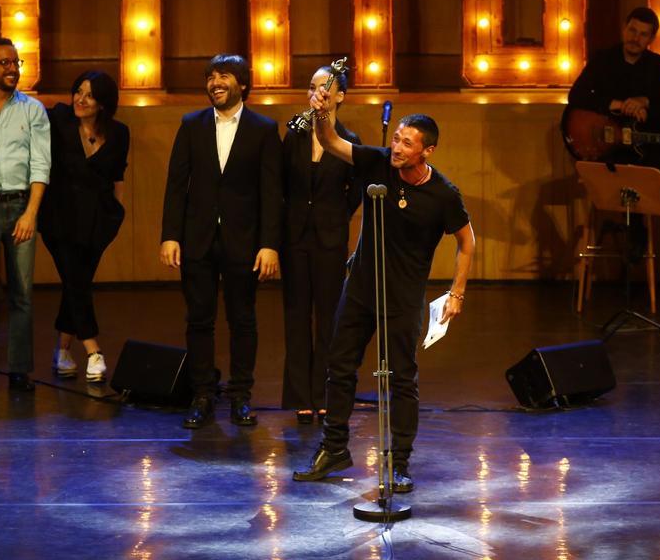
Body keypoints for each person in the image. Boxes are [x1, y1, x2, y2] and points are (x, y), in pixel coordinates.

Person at [293, 91, 475, 493]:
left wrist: (457, 292)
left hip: (403, 297)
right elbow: (331, 142)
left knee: (401, 379)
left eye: (407, 143)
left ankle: (399, 462)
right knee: (340, 367)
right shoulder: (378, 162)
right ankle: (334, 448)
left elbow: (467, 241)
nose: (397, 148)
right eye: (396, 139)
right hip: (360, 288)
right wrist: (322, 114)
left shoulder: (443, 194)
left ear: (427, 151)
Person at [159, 53, 282, 429]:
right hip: (197, 239)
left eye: (224, 76)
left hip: (244, 241)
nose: (215, 82)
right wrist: (170, 236)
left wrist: (269, 244)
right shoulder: (191, 124)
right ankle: (202, 395)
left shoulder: (264, 128)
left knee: (243, 320)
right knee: (199, 319)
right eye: (211, 76)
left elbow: (271, 192)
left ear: (242, 84)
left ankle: (241, 396)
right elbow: (176, 185)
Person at [567, 6, 660, 298]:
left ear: (651, 39)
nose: (635, 38)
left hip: (650, 149)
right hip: (611, 150)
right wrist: (616, 104)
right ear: (624, 28)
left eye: (643, 34)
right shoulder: (603, 60)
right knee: (627, 182)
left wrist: (645, 103)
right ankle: (634, 229)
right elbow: (576, 96)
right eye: (632, 30)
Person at [0, 38, 51, 394]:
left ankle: (19, 370)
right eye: (4, 63)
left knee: (22, 293)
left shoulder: (33, 110)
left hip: (19, 205)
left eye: (16, 62)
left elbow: (40, 163)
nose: (12, 69)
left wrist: (31, 213)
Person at [281, 65, 361, 424]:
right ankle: (300, 396)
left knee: (329, 316)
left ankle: (325, 393)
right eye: (312, 86)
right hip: (295, 236)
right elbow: (281, 184)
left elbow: (356, 189)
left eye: (325, 87)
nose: (318, 93)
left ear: (340, 95)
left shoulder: (349, 139)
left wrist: (337, 215)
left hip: (330, 236)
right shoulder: (295, 133)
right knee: (297, 315)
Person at [41, 71, 129, 383]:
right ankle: (93, 350)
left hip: (98, 221)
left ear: (103, 103)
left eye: (90, 95)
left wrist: (116, 215)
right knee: (76, 280)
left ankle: (63, 351)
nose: (81, 99)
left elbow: (118, 176)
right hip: (59, 218)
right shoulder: (59, 120)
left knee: (75, 284)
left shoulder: (119, 133)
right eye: (78, 91)